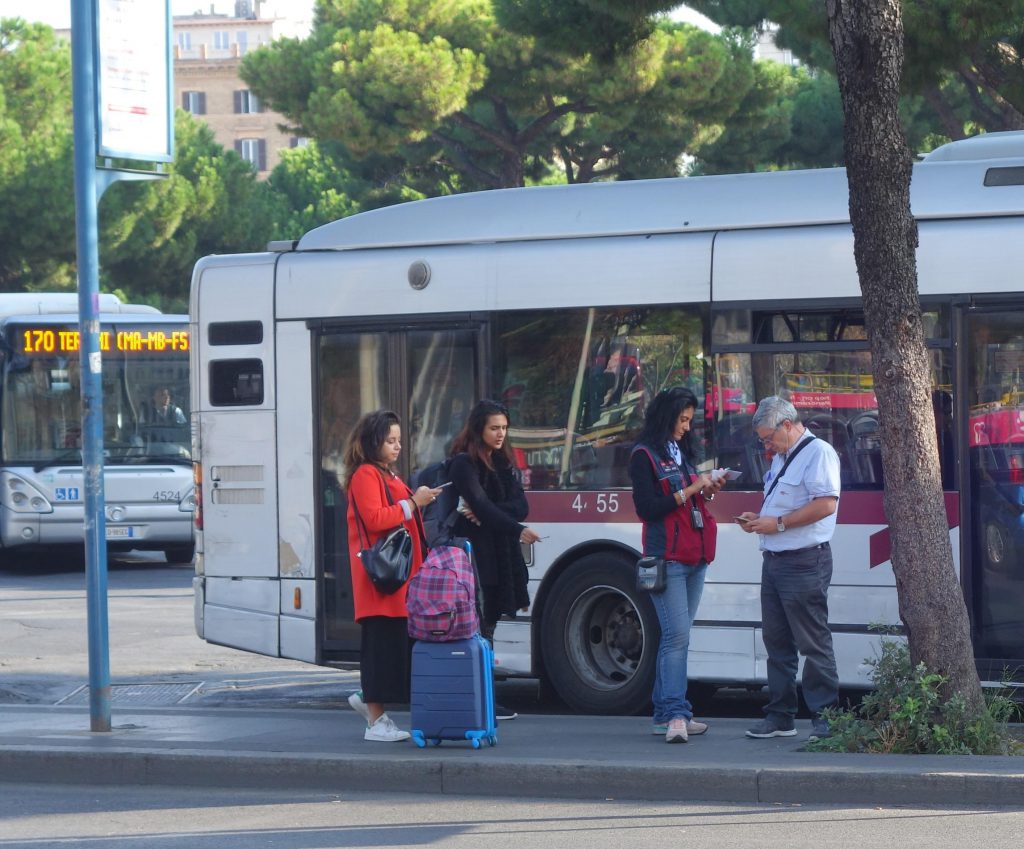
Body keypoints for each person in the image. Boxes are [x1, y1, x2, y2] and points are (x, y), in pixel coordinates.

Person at [736, 396, 841, 741]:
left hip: (804, 560)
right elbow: (784, 503)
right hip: (776, 560)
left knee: (813, 642)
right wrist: (760, 520)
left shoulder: (818, 453)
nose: (766, 446)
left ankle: (826, 718)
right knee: (777, 641)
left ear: (786, 424)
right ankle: (780, 716)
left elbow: (826, 504)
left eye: (768, 438)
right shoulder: (783, 457)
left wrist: (777, 524)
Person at [629, 387, 722, 744]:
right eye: (682, 419)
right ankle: (676, 714)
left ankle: (664, 713)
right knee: (676, 636)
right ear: (666, 416)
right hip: (667, 557)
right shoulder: (643, 455)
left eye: (689, 420)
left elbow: (687, 497)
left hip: (694, 553)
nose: (686, 426)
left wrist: (707, 488)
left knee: (678, 636)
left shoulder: (678, 451)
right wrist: (692, 487)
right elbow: (648, 509)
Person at [343, 409, 442, 742]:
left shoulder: (385, 474)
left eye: (399, 440)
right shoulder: (366, 475)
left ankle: (372, 705)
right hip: (381, 579)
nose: (397, 446)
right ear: (374, 442)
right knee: (381, 645)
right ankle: (376, 720)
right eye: (390, 440)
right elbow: (375, 518)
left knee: (389, 646)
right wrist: (415, 503)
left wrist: (417, 501)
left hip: (396, 580)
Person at [449, 399, 541, 721]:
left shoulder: (502, 463)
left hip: (499, 556)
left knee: (488, 629)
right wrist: (514, 527)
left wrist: (493, 515)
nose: (501, 434)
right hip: (474, 558)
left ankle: (484, 699)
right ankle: (477, 700)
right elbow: (482, 505)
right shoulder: (463, 464)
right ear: (479, 429)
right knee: (474, 630)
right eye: (494, 428)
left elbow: (519, 505)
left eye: (504, 427)